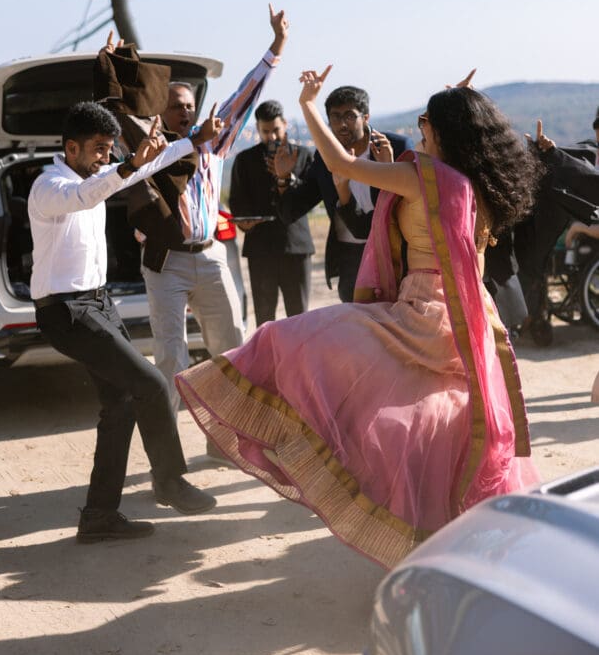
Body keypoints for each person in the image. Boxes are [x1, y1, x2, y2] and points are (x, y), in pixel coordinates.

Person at [176, 68, 541, 569]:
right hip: (466, 319)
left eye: (425, 122)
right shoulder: (476, 186)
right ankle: (451, 543)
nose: (419, 129)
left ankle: (424, 542)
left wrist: (306, 105)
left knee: (288, 340)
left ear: (444, 132)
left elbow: (340, 162)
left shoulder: (422, 177)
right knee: (440, 427)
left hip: (419, 313)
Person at [30, 101, 221, 543]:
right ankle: (170, 481)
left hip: (98, 304)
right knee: (152, 384)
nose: (104, 157)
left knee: (119, 405)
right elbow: (86, 194)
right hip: (66, 311)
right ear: (71, 147)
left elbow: (139, 169)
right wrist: (124, 166)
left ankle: (98, 516)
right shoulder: (49, 186)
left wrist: (192, 141)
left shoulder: (97, 176)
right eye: (98, 149)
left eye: (109, 149)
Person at [139, 5, 289, 414]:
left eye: (188, 105)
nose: (184, 111)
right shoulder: (153, 150)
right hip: (165, 262)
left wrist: (275, 47)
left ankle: (226, 441)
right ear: (160, 113)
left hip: (209, 257)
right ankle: (167, 457)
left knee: (232, 348)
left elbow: (246, 93)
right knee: (170, 356)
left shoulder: (214, 138)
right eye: (175, 106)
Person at [275, 84, 411, 302]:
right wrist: (283, 178)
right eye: (335, 117)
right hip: (351, 261)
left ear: (365, 117)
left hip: (394, 255)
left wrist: (389, 168)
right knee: (355, 330)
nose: (341, 124)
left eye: (349, 115)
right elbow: (291, 211)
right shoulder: (325, 158)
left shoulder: (395, 146)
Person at [229, 99, 314, 325]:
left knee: (300, 319)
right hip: (260, 251)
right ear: (257, 129)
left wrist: (287, 180)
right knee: (264, 320)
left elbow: (310, 196)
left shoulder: (304, 155)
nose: (272, 137)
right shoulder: (244, 160)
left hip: (295, 248)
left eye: (275, 130)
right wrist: (243, 223)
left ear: (285, 124)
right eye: (265, 131)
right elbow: (237, 203)